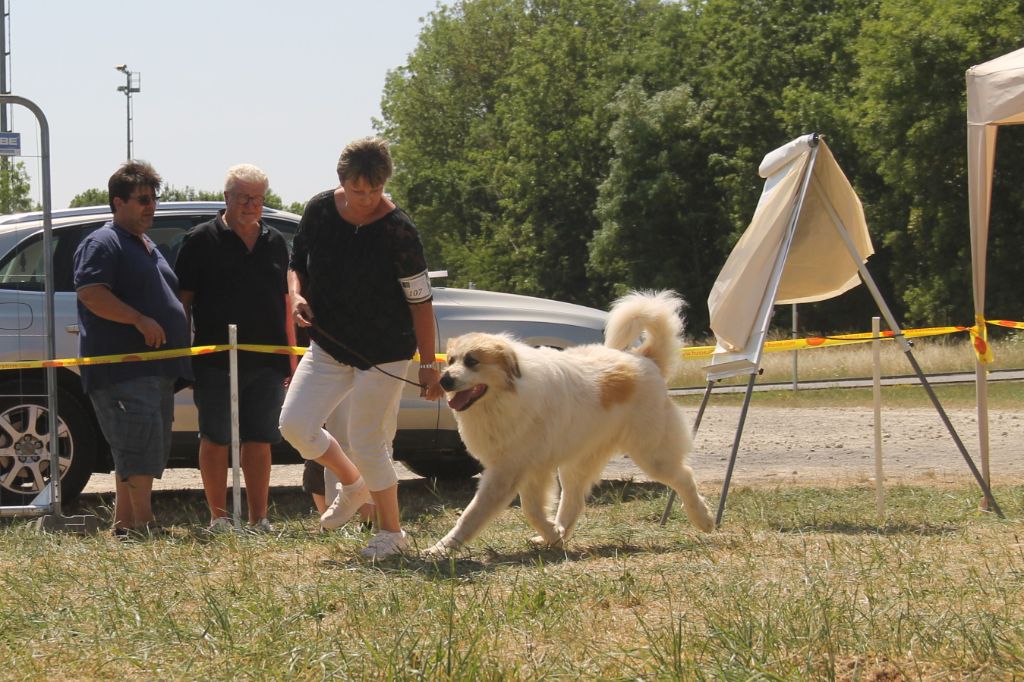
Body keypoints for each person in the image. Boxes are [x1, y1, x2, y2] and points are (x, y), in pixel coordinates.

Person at [279, 136, 443, 559]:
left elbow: (421, 301)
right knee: (294, 425)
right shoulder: (318, 210)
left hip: (385, 350)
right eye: (358, 190)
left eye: (375, 190)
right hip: (329, 344)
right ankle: (352, 485)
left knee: (367, 438)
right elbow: (296, 263)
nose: (367, 198)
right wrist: (296, 295)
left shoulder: (399, 230)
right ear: (343, 181)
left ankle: (393, 533)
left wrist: (428, 364)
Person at [73, 160, 192, 537]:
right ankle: (145, 525)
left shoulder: (145, 244)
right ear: (117, 202)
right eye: (142, 199)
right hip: (122, 369)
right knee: (137, 445)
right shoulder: (102, 242)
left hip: (153, 369)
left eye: (153, 199)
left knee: (142, 445)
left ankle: (125, 525)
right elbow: (91, 294)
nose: (150, 206)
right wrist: (139, 319)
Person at [174, 164, 291, 533]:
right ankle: (219, 518)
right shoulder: (199, 239)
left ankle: (259, 519)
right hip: (214, 359)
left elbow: (286, 301)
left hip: (266, 359)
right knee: (216, 437)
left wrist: (288, 358)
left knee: (260, 438)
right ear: (227, 198)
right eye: (243, 197)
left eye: (257, 198)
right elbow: (183, 303)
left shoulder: (275, 241)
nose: (251, 205)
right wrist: (184, 358)